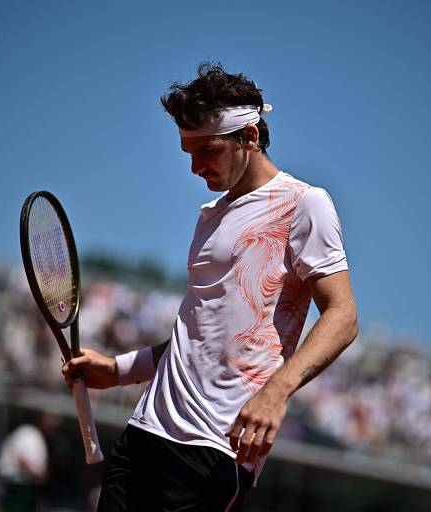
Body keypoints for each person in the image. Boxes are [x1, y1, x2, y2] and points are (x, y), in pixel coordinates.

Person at [62, 62, 358, 511]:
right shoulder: (210, 216)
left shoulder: (304, 204)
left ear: (250, 137)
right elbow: (200, 334)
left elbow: (343, 316)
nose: (195, 166)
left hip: (216, 446)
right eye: (187, 151)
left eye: (206, 149)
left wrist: (276, 391)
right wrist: (119, 370)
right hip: (146, 431)